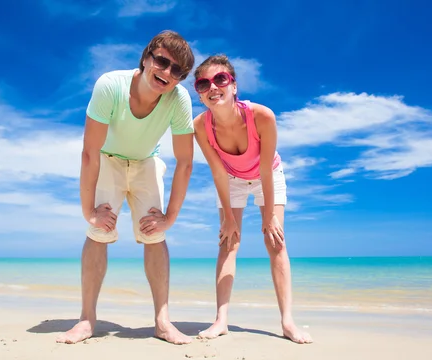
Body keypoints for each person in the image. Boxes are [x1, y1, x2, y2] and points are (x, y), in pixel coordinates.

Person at [56, 30, 195, 345]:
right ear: (147, 57)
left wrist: (170, 217)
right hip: (108, 159)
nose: (167, 73)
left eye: (178, 71)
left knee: (154, 233)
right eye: (162, 61)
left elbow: (185, 162)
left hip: (147, 162)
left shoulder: (179, 99)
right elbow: (90, 152)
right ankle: (87, 319)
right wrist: (88, 212)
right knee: (99, 231)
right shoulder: (111, 85)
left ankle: (162, 321)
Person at [192, 55, 313, 344]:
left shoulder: (262, 116)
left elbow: (264, 168)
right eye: (203, 83)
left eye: (220, 79)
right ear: (199, 93)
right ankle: (221, 320)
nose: (213, 87)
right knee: (228, 242)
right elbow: (218, 173)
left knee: (275, 240)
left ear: (234, 86)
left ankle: (287, 322)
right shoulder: (200, 125)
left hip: (267, 175)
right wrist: (230, 220)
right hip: (231, 179)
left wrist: (269, 214)